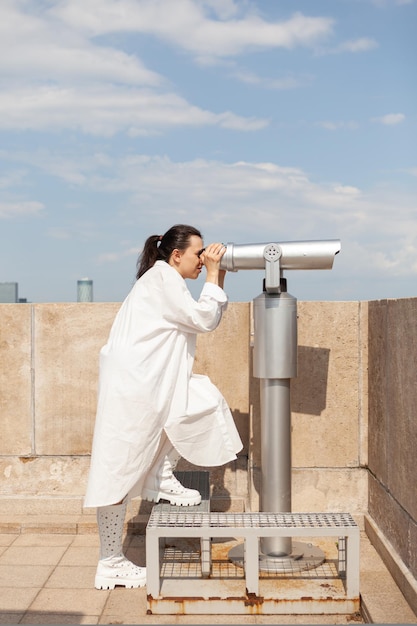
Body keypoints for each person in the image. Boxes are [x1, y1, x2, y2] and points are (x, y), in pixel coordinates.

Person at [84, 224, 243, 590]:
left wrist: (214, 277)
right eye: (197, 254)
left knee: (201, 401)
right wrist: (217, 274)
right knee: (118, 467)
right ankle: (110, 562)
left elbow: (201, 316)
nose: (203, 260)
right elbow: (205, 319)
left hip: (150, 381)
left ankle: (160, 475)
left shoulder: (164, 280)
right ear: (175, 256)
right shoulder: (163, 279)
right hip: (135, 386)